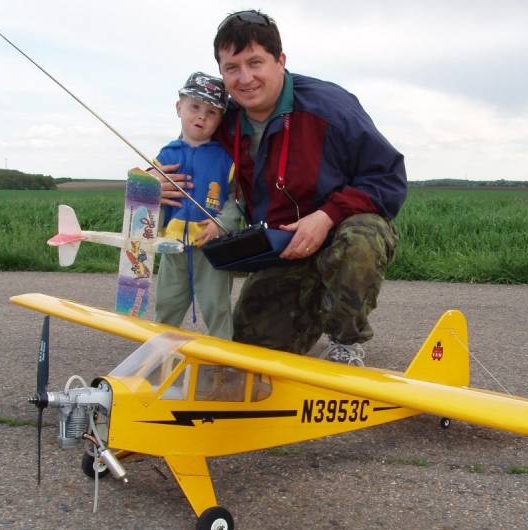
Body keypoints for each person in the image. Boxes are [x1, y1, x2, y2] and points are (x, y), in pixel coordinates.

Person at [160, 10, 407, 365]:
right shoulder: (223, 121)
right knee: (247, 356)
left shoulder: (331, 108)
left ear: (280, 61)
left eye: (255, 62)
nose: (245, 78)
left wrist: (325, 216)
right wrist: (152, 181)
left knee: (359, 241)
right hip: (283, 250)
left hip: (339, 231)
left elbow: (388, 178)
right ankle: (314, 302)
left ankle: (346, 338)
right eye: (232, 67)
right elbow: (189, 143)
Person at [153, 72, 241, 339]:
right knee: (166, 306)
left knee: (217, 308)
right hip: (173, 248)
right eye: (195, 107)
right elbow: (147, 204)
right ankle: (158, 358)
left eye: (212, 112)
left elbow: (238, 200)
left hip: (213, 247)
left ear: (220, 119)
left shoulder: (227, 159)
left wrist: (222, 223)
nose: (202, 116)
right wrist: (150, 190)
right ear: (179, 107)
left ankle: (223, 365)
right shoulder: (164, 157)